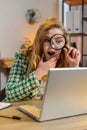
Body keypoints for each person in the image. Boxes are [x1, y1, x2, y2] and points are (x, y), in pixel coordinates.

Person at [3, 18, 81, 102]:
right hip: (19, 110)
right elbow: (10, 94)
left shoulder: (66, 60)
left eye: (58, 41)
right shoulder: (23, 57)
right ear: (40, 41)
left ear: (64, 44)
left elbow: (76, 97)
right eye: (47, 40)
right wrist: (38, 73)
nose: (52, 46)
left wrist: (74, 67)